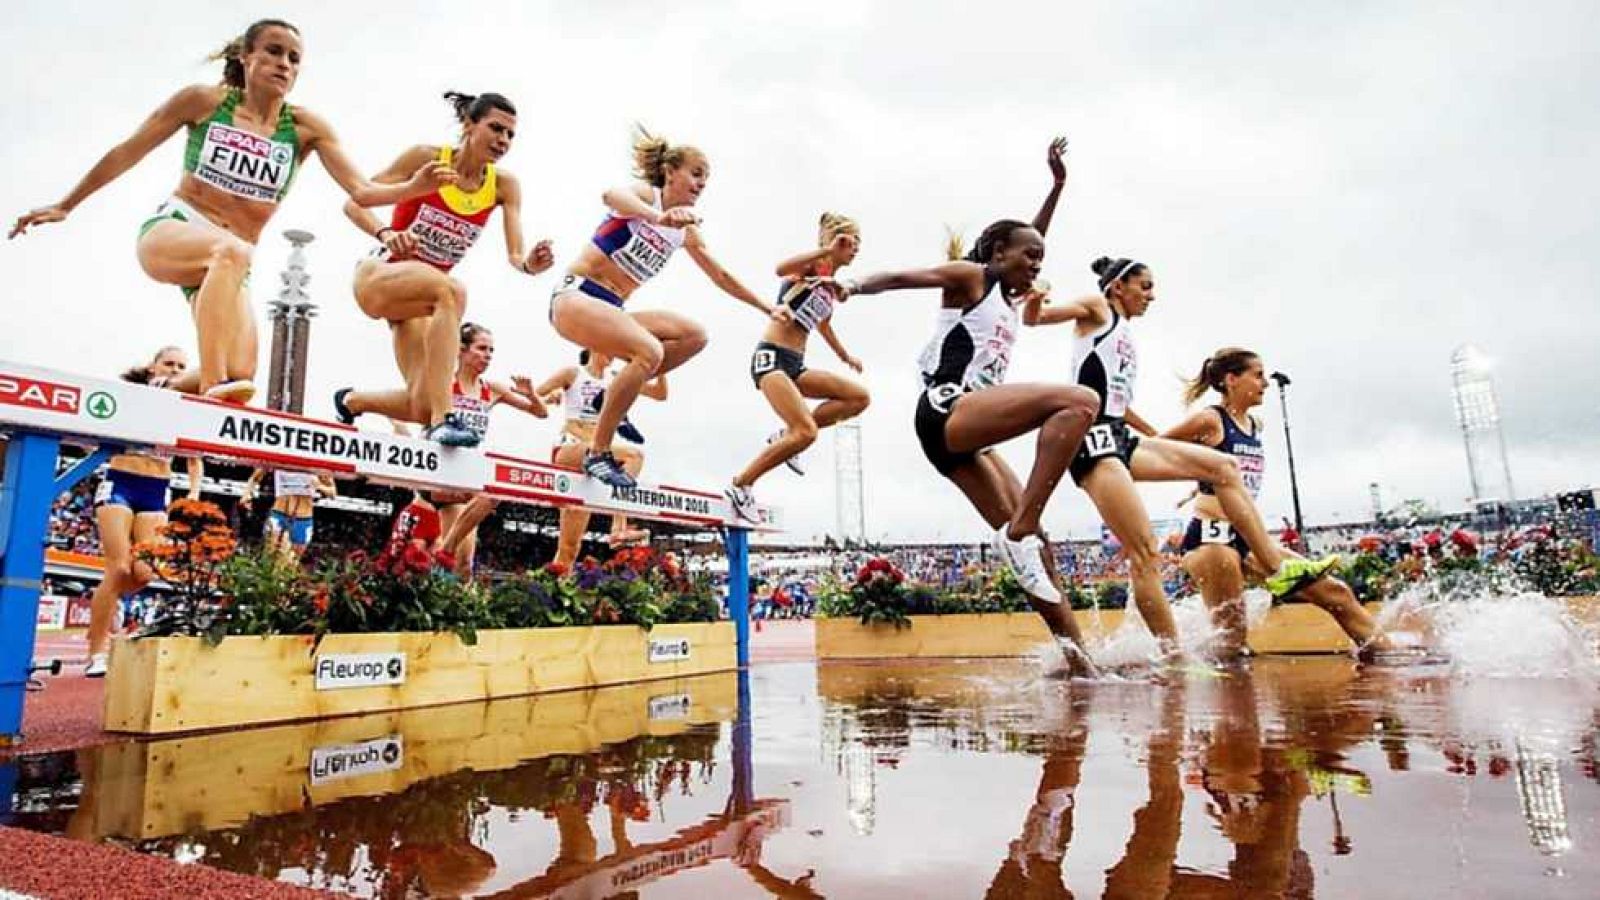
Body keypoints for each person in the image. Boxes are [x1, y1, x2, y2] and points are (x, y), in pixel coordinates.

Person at [9, 19, 455, 404]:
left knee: (242, 376)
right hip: (177, 229)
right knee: (233, 259)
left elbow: (361, 190)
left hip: (228, 264)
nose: (285, 64)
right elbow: (127, 151)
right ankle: (210, 386)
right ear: (246, 56)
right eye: (274, 52)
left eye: (294, 59)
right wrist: (65, 204)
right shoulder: (205, 102)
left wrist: (414, 187)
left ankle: (160, 393)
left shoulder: (304, 128)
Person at [831, 138, 1102, 675]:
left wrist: (1057, 188)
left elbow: (1032, 238)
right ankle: (1024, 525)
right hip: (946, 409)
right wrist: (852, 284)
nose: (1037, 267)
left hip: (965, 438)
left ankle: (1079, 661)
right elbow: (907, 277)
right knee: (1080, 402)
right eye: (1028, 258)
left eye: (1040, 261)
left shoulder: (1011, 290)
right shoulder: (971, 279)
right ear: (997, 254)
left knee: (1036, 550)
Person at [1020, 256, 1338, 659]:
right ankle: (1174, 656)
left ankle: (1278, 567)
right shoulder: (1098, 308)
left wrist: (1163, 445)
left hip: (1119, 435)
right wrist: (1036, 297)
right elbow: (1035, 318)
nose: (1152, 296)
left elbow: (1120, 404)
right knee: (1146, 553)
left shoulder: (1126, 337)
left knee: (1224, 467)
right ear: (1118, 286)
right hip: (1092, 441)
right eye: (1146, 286)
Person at [548, 125, 784, 488]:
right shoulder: (648, 198)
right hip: (575, 297)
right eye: (696, 174)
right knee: (649, 351)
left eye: (706, 180)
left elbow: (720, 275)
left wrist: (766, 308)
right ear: (670, 171)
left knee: (693, 335)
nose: (701, 184)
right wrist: (657, 217)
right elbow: (609, 194)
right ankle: (598, 451)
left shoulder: (686, 231)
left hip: (612, 310)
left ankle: (613, 402)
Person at [335, 91, 553, 445]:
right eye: (496, 129)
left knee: (423, 401)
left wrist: (530, 264)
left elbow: (517, 256)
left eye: (511, 135)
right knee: (451, 290)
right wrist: (387, 232)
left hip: (419, 302)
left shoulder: (504, 186)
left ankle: (351, 401)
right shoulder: (427, 159)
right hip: (380, 273)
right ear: (469, 124)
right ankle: (444, 420)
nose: (503, 140)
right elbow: (355, 202)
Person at [1165, 348, 1394, 660]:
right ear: (1232, 379)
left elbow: (1226, 472)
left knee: (1336, 593)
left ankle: (1390, 655)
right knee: (1232, 640)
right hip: (1211, 536)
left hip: (1247, 537)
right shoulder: (1210, 419)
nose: (1266, 383)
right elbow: (1155, 449)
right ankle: (1197, 685)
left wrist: (1200, 477)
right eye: (1257, 375)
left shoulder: (1254, 425)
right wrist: (1195, 476)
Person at [725, 213, 870, 520]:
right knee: (806, 433)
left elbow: (824, 325)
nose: (856, 248)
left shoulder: (830, 285)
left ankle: (785, 436)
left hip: (796, 365)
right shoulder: (810, 267)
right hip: (771, 359)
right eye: (851, 242)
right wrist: (826, 250)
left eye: (859, 243)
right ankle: (741, 484)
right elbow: (780, 268)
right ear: (835, 242)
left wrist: (845, 356)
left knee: (858, 398)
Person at [84, 348, 203, 677]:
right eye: (169, 363)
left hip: (156, 491)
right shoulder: (138, 396)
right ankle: (97, 650)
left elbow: (194, 458)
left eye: (182, 366)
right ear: (153, 367)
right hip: (121, 483)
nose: (176, 370)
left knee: (145, 573)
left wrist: (193, 492)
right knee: (118, 567)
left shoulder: (183, 409)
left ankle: (106, 605)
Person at [427, 323, 550, 576]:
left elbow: (540, 412)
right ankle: (445, 551)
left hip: (465, 476)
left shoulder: (491, 389)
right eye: (481, 348)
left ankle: (445, 559)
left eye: (492, 351)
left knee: (463, 566)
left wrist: (532, 394)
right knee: (493, 491)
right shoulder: (443, 384)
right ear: (461, 350)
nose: (488, 356)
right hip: (438, 471)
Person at [537, 350, 664, 567]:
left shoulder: (616, 378)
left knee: (570, 548)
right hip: (571, 449)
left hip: (594, 463)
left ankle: (554, 593)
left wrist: (662, 364)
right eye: (609, 345)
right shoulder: (573, 373)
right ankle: (618, 528)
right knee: (633, 456)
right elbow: (534, 394)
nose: (613, 353)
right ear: (594, 344)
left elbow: (659, 393)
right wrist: (550, 397)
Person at [242, 468, 336, 561]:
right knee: (269, 555)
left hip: (303, 517)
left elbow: (333, 493)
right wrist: (246, 494)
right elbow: (256, 476)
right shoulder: (282, 459)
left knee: (293, 560)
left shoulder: (316, 463)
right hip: (279, 512)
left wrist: (319, 486)